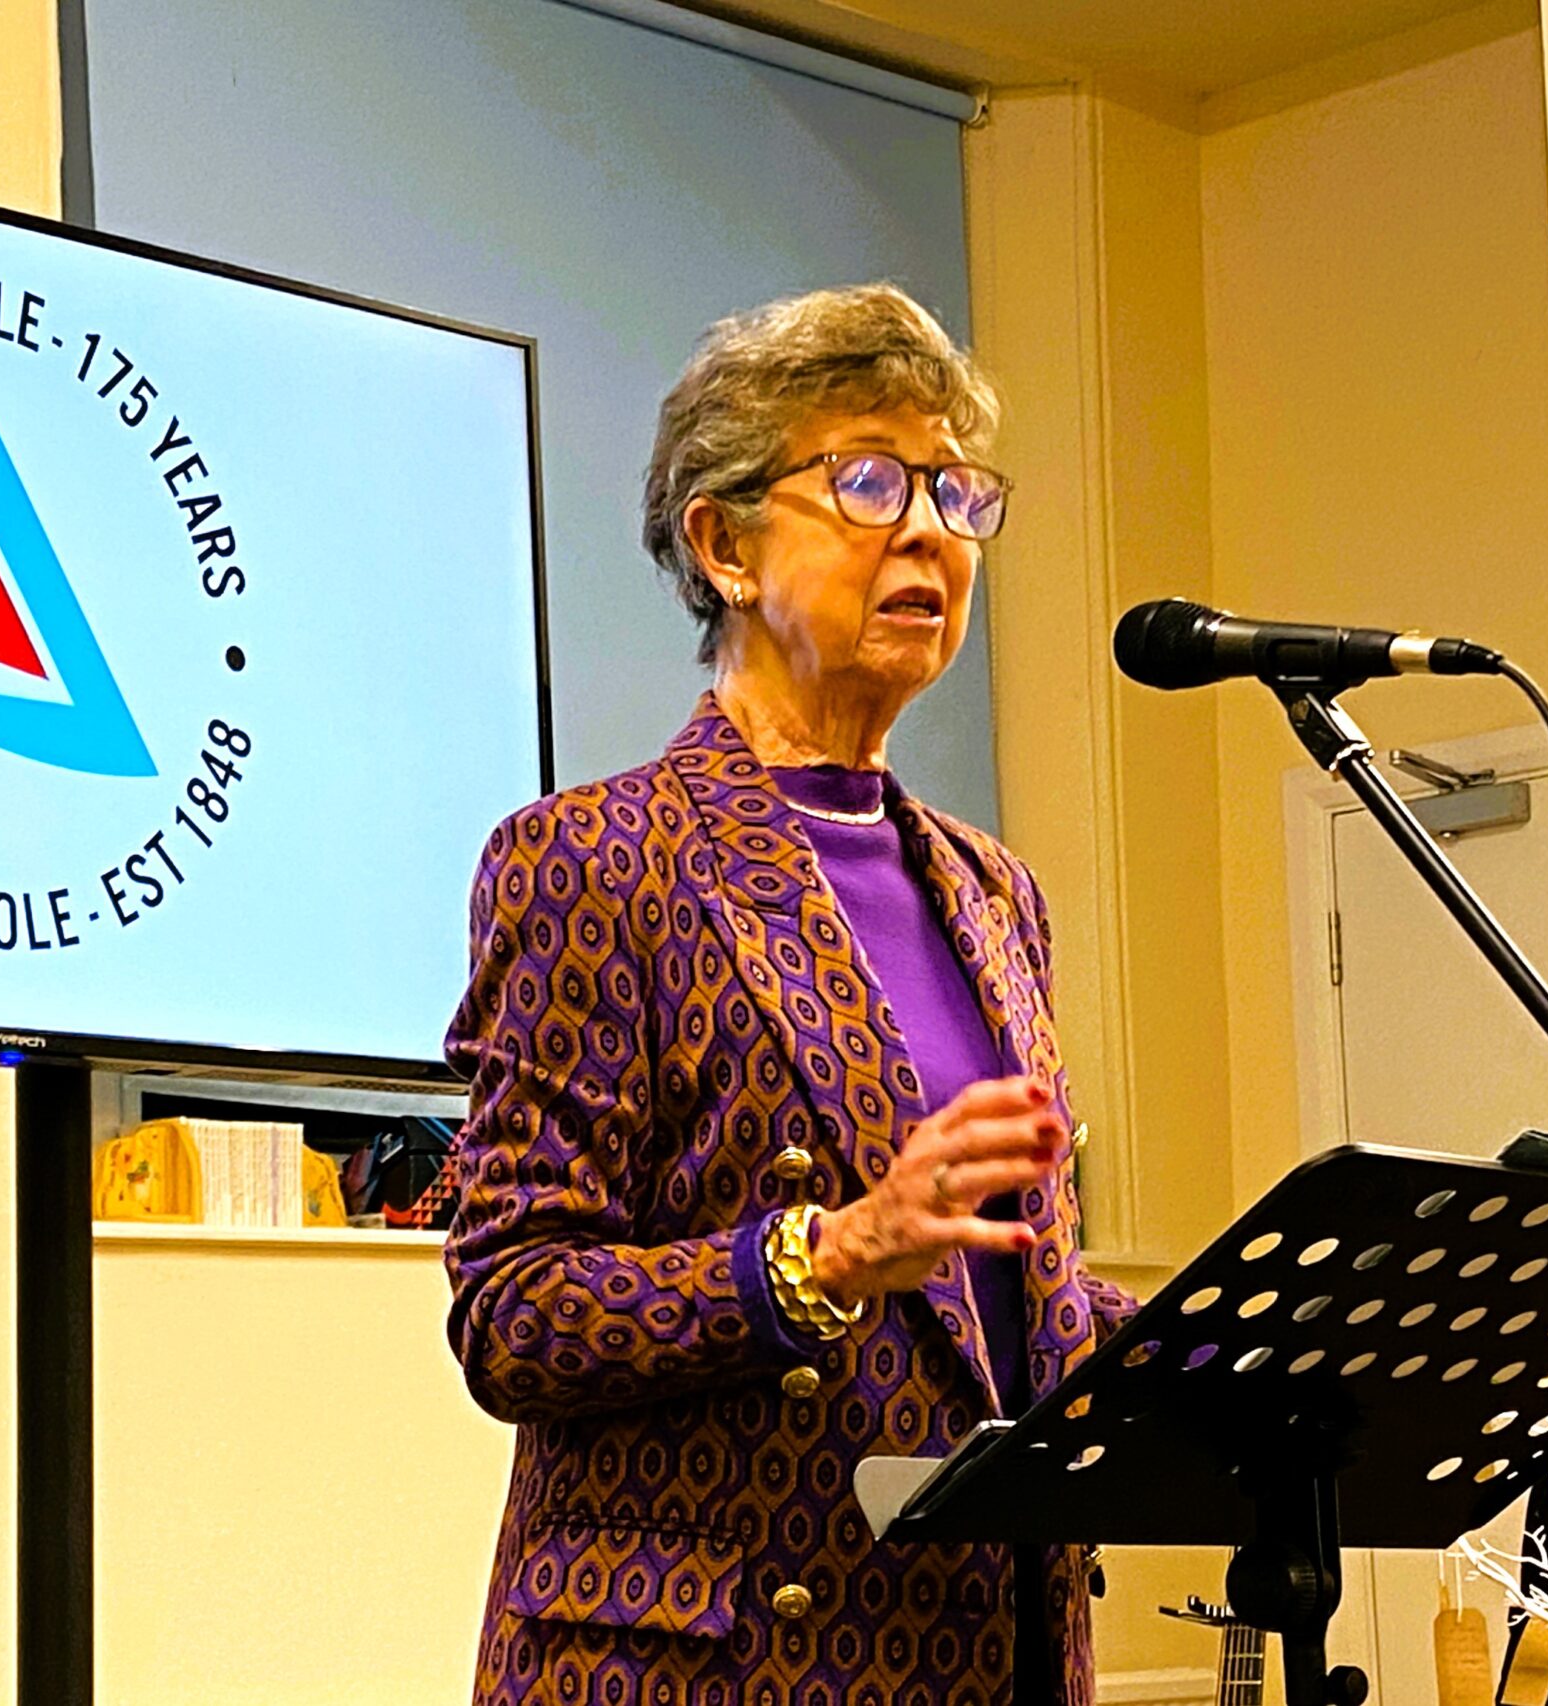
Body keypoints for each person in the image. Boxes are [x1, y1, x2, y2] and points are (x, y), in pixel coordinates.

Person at [441, 283, 1138, 1706]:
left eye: (956, 492)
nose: (931, 531)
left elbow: (1001, 1306)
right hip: (718, 1666)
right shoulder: (596, 859)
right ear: (725, 545)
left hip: (984, 1654)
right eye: (871, 480)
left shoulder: (994, 891)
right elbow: (514, 1309)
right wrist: (820, 1257)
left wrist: (1245, 1348)